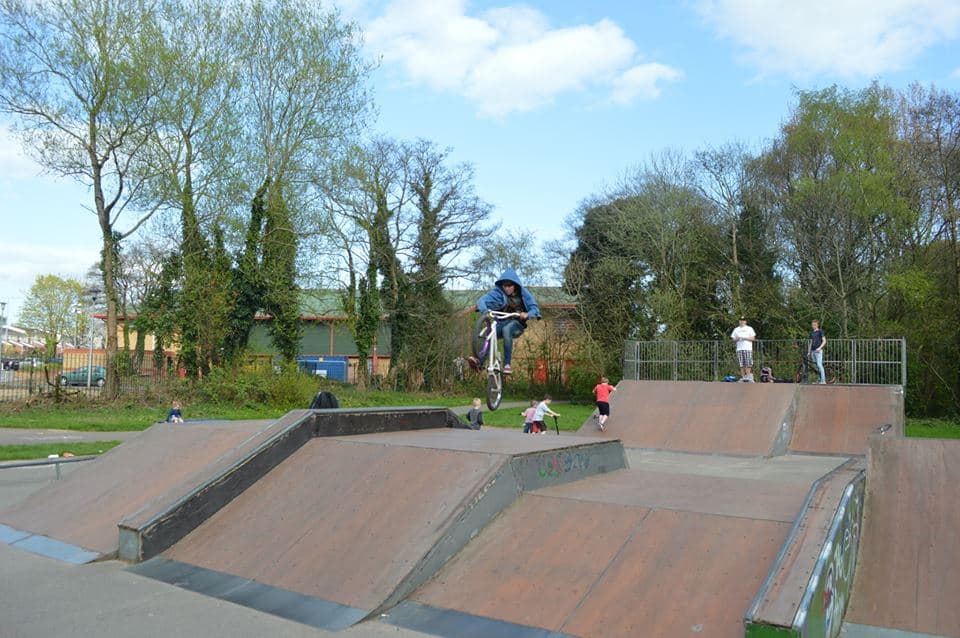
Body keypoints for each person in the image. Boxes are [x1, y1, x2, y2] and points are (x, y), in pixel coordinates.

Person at [473, 268, 541, 375]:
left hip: (516, 325)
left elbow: (535, 309)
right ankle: (479, 363)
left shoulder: (523, 293)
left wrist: (527, 314)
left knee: (507, 329)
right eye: (505, 286)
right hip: (502, 321)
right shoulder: (498, 292)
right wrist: (484, 310)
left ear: (515, 285)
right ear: (502, 285)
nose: (507, 288)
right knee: (491, 332)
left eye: (510, 286)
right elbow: (482, 300)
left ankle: (507, 364)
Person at [730, 316, 757, 382]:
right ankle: (743, 377)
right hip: (739, 349)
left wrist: (745, 338)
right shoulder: (736, 329)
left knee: (748, 363)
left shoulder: (749, 328)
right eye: (741, 320)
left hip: (747, 348)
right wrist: (738, 338)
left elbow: (753, 338)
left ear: (745, 321)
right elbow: (733, 338)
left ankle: (748, 377)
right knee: (741, 364)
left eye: (743, 320)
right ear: (739, 321)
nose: (742, 321)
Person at [809, 319, 828, 384]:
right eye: (812, 325)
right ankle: (819, 380)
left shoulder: (820, 331)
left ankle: (823, 380)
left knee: (819, 365)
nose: (813, 326)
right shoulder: (811, 333)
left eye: (814, 325)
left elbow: (824, 341)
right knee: (815, 366)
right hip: (813, 351)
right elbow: (810, 342)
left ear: (817, 325)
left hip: (818, 351)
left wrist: (819, 348)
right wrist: (809, 351)